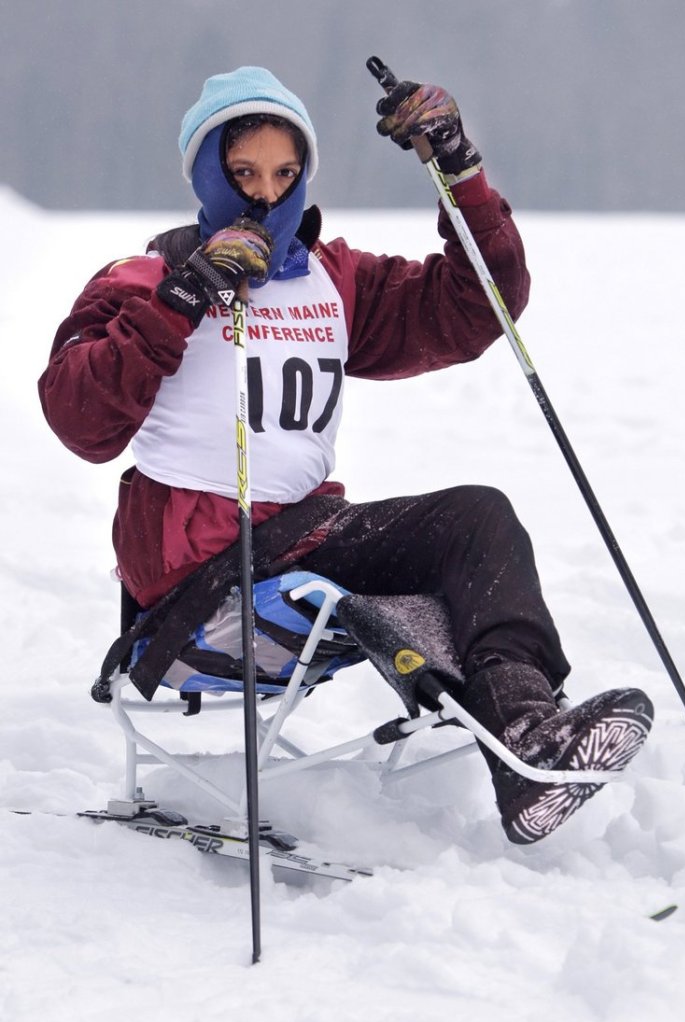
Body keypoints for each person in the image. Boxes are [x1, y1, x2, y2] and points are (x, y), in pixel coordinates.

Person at [39, 66, 653, 846]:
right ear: (205, 174)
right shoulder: (141, 281)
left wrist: (457, 171)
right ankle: (517, 738)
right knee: (411, 558)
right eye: (243, 174)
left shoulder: (333, 281)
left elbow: (473, 308)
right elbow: (78, 420)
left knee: (475, 518)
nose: (266, 195)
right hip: (192, 576)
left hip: (304, 538)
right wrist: (184, 299)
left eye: (285, 174)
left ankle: (525, 736)